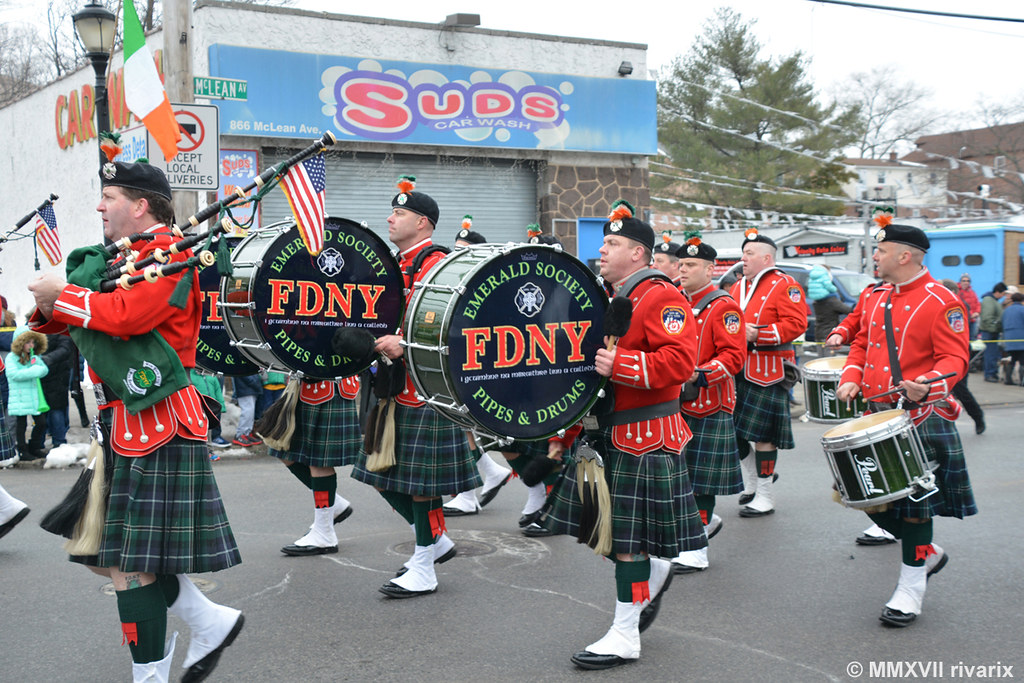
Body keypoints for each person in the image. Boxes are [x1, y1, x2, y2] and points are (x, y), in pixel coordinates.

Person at [28, 160, 243, 682]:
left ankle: (151, 674)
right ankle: (208, 620)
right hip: (122, 421)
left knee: (128, 563)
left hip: (158, 420)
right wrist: (51, 299)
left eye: (109, 197)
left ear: (141, 204)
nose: (99, 207)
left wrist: (65, 294)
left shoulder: (172, 255)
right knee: (102, 553)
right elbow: (77, 319)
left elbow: (127, 316)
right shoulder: (125, 256)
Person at [542, 200, 705, 670]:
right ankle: (653, 574)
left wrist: (625, 364)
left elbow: (681, 364)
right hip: (606, 432)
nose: (602, 250)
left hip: (645, 435)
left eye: (612, 243)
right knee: (613, 537)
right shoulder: (608, 296)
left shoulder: (662, 297)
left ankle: (625, 633)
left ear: (637, 253)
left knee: (627, 542)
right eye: (604, 242)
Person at [836, 222, 975, 628]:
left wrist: (927, 384)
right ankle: (927, 552)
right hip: (876, 412)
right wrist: (851, 375)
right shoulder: (877, 295)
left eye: (880, 251)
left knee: (916, 509)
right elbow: (862, 342)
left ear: (904, 255)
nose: (874, 257)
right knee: (862, 495)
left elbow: (955, 359)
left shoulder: (942, 301)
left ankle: (911, 588)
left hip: (919, 415)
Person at [350, 176, 479, 597]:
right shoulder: (395, 263)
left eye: (399, 213)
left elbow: (454, 321)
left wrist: (404, 343)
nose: (390, 218)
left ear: (422, 222)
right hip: (394, 386)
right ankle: (436, 542)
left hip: (426, 388)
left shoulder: (438, 263)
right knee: (380, 475)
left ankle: (425, 564)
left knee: (421, 488)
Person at [671, 233, 746, 573]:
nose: (683, 270)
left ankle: (697, 548)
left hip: (709, 402)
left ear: (709, 269)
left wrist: (699, 375)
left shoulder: (723, 306)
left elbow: (734, 357)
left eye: (691, 264)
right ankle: (704, 523)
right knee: (681, 477)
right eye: (681, 264)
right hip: (675, 403)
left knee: (699, 480)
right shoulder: (675, 302)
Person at [728, 229, 806, 516]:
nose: (743, 259)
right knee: (729, 430)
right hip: (736, 368)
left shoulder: (786, 285)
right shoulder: (737, 287)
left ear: (766, 258)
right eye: (743, 253)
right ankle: (755, 477)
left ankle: (765, 495)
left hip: (769, 370)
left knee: (764, 436)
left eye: (749, 254)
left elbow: (797, 324)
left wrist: (758, 334)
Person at [442, 219, 514, 517]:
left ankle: (467, 494)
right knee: (460, 426)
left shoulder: (486, 282)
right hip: (457, 359)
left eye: (464, 251)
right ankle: (490, 473)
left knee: (459, 426)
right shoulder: (457, 280)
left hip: (475, 363)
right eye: (455, 249)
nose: (456, 255)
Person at [266, 376, 360, 556]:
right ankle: (335, 504)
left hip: (329, 385)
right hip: (302, 384)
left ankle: (324, 533)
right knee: (281, 448)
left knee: (319, 461)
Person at [940, 280, 985, 434]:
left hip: (958, 351)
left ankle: (978, 416)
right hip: (945, 351)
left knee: (960, 389)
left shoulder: (956, 305)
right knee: (944, 391)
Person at [5, 325, 49, 462]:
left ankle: (34, 446)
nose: (31, 345)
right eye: (28, 342)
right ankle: (22, 450)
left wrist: (36, 368)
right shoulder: (11, 358)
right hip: (20, 397)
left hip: (34, 397)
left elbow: (44, 369)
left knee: (41, 423)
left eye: (33, 342)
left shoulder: (34, 357)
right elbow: (14, 374)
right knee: (21, 425)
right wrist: (34, 371)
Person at [39, 332, 76, 450]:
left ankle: (58, 442)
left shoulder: (60, 330)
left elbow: (65, 348)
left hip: (57, 376)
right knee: (42, 412)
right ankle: (41, 442)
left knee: (56, 410)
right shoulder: (36, 326)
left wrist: (46, 359)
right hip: (41, 375)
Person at [807, 264, 852, 355]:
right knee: (829, 360)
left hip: (819, 334)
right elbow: (849, 310)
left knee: (821, 359)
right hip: (829, 335)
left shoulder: (817, 300)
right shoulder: (831, 301)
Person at [979, 282, 1008, 382]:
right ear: (998, 292)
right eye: (1003, 294)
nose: (1003, 296)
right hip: (990, 332)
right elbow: (987, 318)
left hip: (992, 331)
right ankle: (989, 374)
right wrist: (994, 328)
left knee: (993, 353)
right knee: (990, 354)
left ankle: (992, 373)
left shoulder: (993, 301)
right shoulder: (989, 301)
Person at [230, 373, 263, 447]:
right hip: (245, 389)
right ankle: (240, 435)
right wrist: (255, 383)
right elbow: (244, 374)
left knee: (250, 413)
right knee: (247, 412)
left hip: (251, 389)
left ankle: (247, 433)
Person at [1001, 291, 1024, 385]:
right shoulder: (1022, 309)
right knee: (1022, 360)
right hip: (1021, 339)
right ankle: (1022, 381)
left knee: (1012, 359)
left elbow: (1002, 323)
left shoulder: (1006, 310)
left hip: (1009, 339)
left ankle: (1008, 379)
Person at [957, 273, 981, 339]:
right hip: (964, 320)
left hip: (973, 320)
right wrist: (971, 314)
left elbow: (977, 303)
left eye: (968, 281)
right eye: (964, 281)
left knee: (972, 337)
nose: (966, 282)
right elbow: (961, 305)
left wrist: (977, 312)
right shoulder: (958, 292)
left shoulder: (972, 292)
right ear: (960, 282)